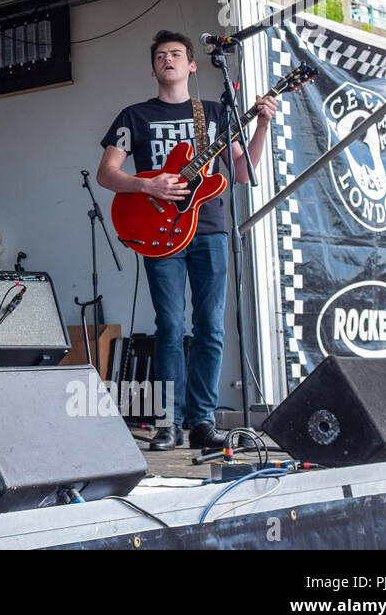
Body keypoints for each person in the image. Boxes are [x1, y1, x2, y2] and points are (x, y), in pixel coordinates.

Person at [97, 30, 275, 451]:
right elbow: (107, 174)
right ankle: (168, 423)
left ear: (192, 65)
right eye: (160, 55)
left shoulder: (213, 113)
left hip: (209, 230)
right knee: (170, 326)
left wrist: (262, 123)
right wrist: (148, 186)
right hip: (160, 233)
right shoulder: (133, 116)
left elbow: (244, 172)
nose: (168, 60)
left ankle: (202, 423)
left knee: (211, 327)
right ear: (153, 66)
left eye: (176, 54)